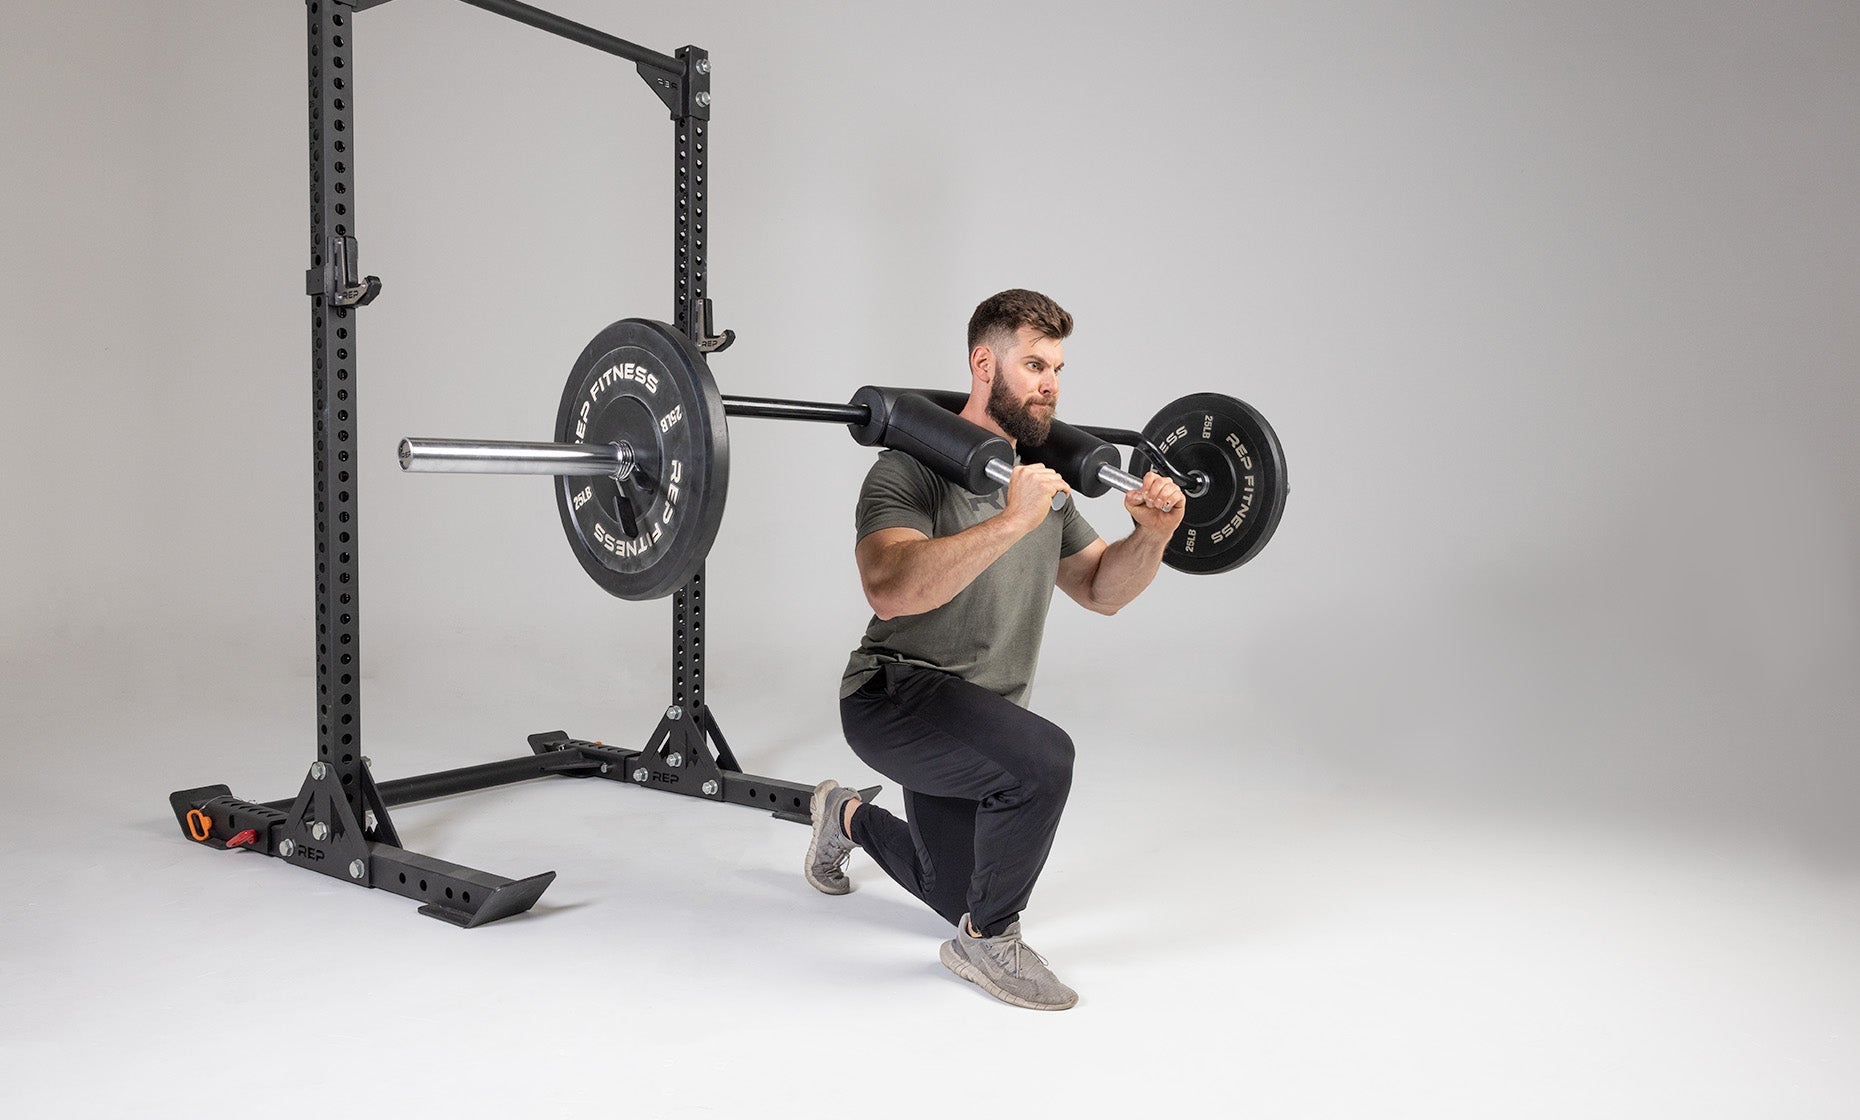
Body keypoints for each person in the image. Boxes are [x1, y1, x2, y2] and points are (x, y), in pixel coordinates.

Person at [804, 289, 1186, 1010]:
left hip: (976, 720)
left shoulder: (1047, 490)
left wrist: (1153, 535)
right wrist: (1012, 522)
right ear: (984, 364)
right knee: (1045, 761)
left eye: (1058, 369)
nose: (1050, 384)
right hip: (893, 697)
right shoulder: (907, 472)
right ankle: (989, 941)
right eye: (1033, 364)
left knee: (955, 891)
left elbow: (1102, 590)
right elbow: (888, 589)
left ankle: (843, 815)